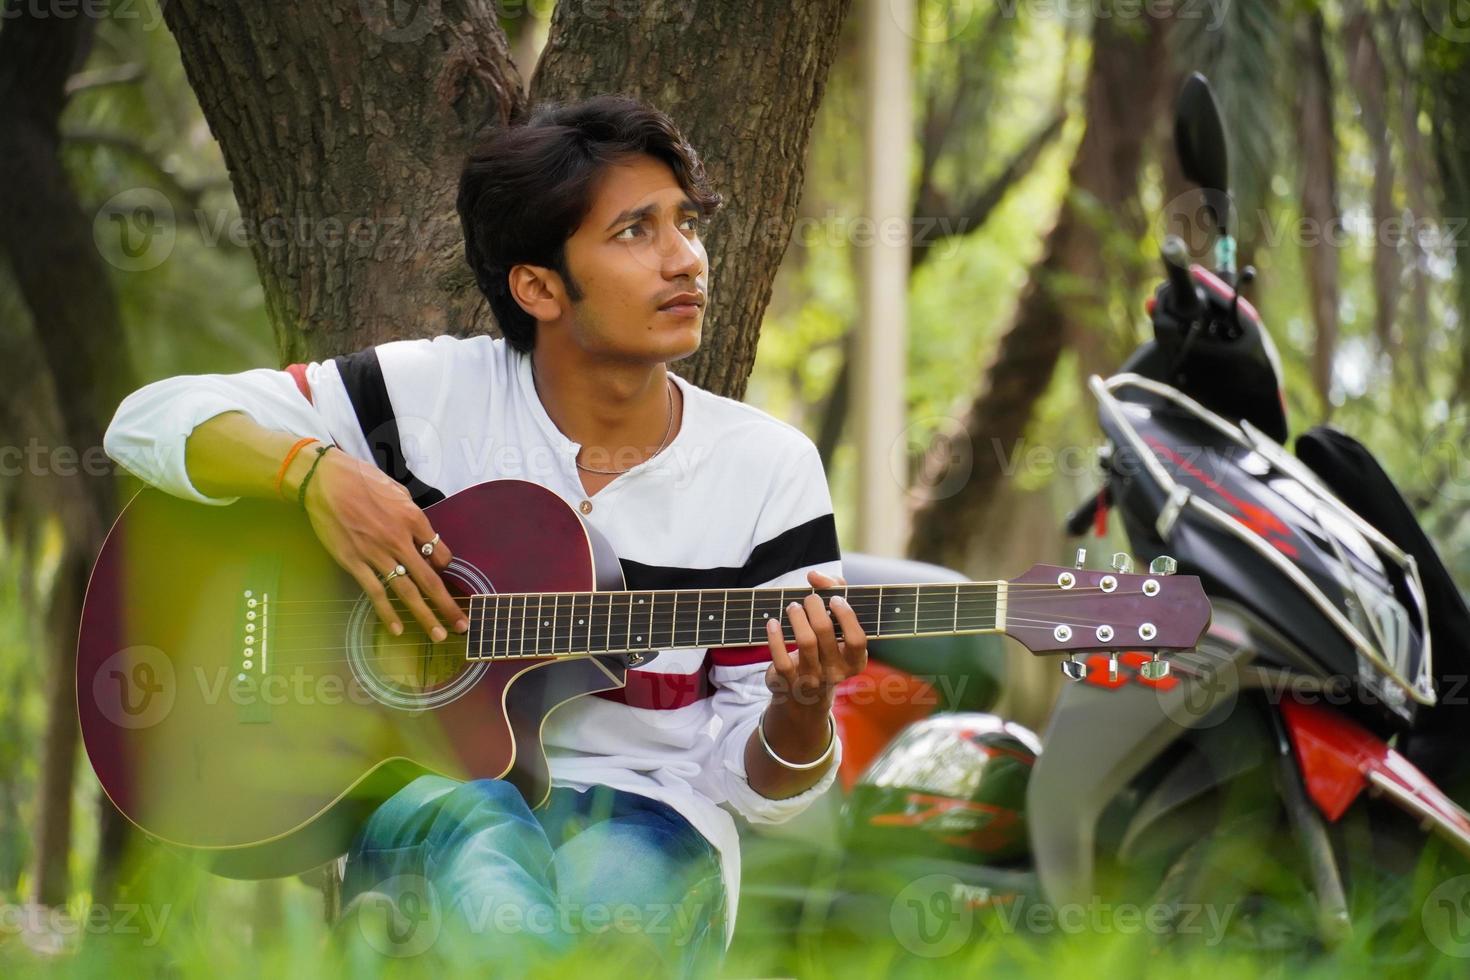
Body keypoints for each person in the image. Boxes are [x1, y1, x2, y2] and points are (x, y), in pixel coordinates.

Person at [103, 94, 868, 974]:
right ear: (539, 287)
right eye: (635, 232)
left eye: (685, 225)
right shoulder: (424, 399)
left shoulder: (766, 468)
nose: (685, 260)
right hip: (424, 791)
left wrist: (801, 707)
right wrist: (313, 474)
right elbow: (149, 421)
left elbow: (760, 789)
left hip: (648, 814)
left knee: (610, 924)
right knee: (478, 844)